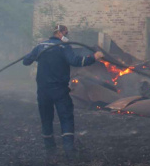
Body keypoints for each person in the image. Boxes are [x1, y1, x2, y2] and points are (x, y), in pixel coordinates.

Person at [23, 24, 103, 156]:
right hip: (59, 90)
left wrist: (34, 55)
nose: (67, 36)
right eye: (66, 34)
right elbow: (75, 61)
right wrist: (93, 58)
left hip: (43, 90)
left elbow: (26, 61)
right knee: (66, 117)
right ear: (60, 33)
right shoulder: (64, 47)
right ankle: (68, 149)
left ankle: (49, 148)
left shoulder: (40, 46)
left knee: (46, 118)